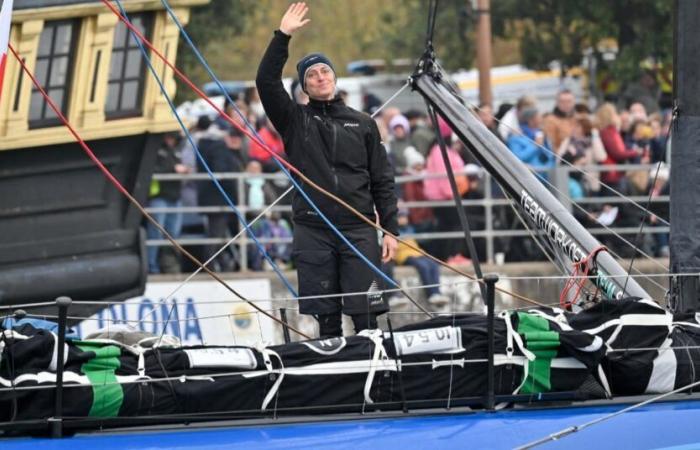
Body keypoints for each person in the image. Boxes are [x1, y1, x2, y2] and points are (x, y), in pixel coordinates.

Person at [256, 2, 398, 338]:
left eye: (325, 71)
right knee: (327, 317)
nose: (320, 77)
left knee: (366, 318)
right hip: (313, 228)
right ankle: (335, 381)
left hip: (358, 228)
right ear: (304, 87)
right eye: (311, 75)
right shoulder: (295, 120)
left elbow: (382, 179)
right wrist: (283, 36)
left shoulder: (363, 123)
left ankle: (373, 379)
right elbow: (266, 81)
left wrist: (390, 229)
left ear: (334, 77)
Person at [147, 132, 188, 274]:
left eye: (173, 137)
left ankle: (169, 267)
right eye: (169, 136)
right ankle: (152, 267)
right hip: (159, 197)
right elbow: (151, 170)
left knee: (173, 235)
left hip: (174, 198)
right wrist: (174, 170)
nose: (171, 139)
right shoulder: (155, 151)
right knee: (155, 234)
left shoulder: (176, 151)